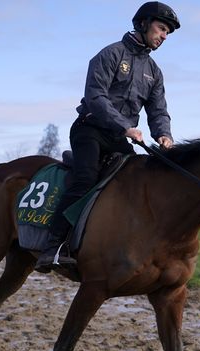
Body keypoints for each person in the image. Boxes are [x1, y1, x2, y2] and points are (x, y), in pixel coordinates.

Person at [35, 2, 180, 272]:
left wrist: (164, 135)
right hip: (89, 129)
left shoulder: (154, 72)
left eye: (167, 33)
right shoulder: (111, 54)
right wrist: (125, 126)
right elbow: (96, 96)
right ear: (143, 24)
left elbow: (158, 110)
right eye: (161, 28)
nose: (164, 36)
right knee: (86, 178)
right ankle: (52, 246)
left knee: (135, 182)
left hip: (120, 137)